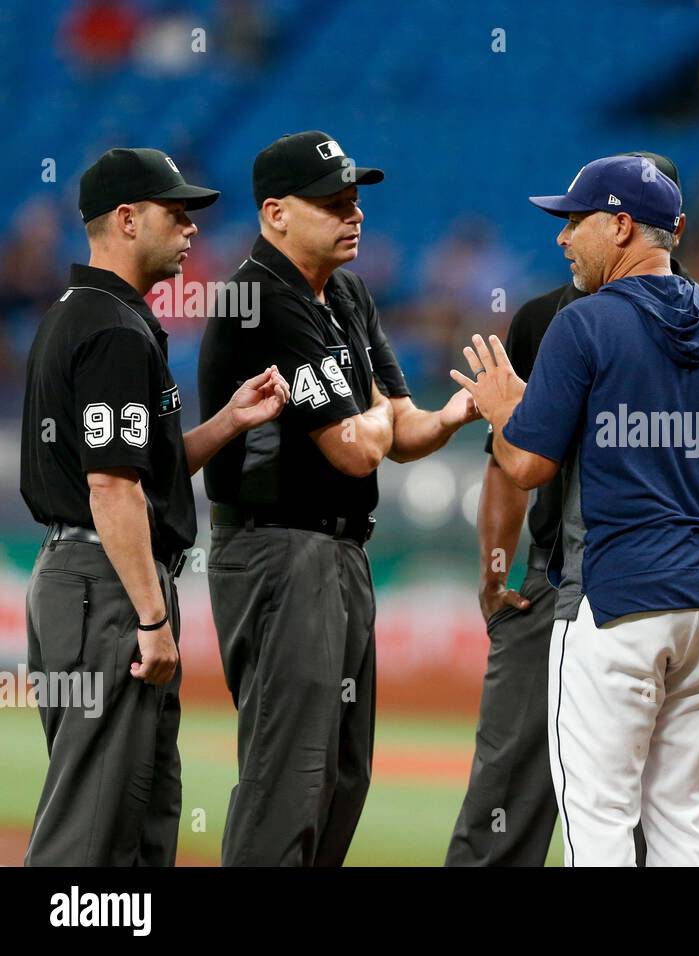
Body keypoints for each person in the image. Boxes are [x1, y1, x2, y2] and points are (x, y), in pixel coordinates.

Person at [452, 155, 699, 866]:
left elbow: (526, 467)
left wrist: (503, 411)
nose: (562, 239)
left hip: (616, 602)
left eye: (574, 221)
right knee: (683, 822)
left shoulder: (582, 324)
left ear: (621, 226)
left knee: (600, 820)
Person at [197, 130, 478, 866]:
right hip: (277, 550)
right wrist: (382, 417)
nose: (352, 215)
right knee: (290, 775)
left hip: (339, 549)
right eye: (330, 203)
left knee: (343, 775)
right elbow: (354, 448)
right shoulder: (260, 296)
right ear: (275, 213)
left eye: (354, 201)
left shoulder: (346, 293)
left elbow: (400, 424)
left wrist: (451, 416)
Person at [21, 147, 288, 865]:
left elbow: (143, 471)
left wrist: (229, 420)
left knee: (138, 819)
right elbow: (111, 488)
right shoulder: (110, 330)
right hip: (105, 584)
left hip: (88, 576)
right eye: (177, 213)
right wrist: (150, 616)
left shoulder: (86, 313)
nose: (193, 228)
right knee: (93, 822)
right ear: (127, 219)